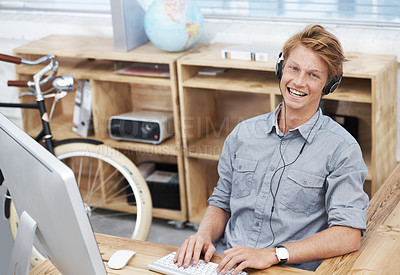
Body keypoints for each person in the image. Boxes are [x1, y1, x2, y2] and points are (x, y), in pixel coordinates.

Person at [174, 24, 369, 274]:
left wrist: (274, 254)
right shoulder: (244, 134)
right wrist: (203, 236)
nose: (298, 81)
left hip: (286, 268)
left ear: (328, 86)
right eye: (294, 68)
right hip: (226, 262)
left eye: (313, 75)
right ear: (280, 68)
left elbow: (348, 234)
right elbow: (222, 201)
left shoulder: (342, 149)